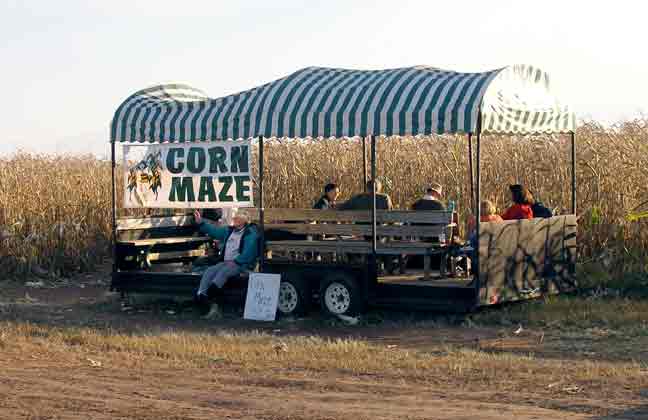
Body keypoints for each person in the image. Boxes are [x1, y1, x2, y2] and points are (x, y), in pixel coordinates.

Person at [193, 208, 259, 318]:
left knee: (222, 273)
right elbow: (215, 231)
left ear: (244, 220)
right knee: (209, 271)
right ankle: (201, 296)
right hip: (226, 262)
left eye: (238, 218)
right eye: (235, 217)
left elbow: (249, 252)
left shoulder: (250, 233)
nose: (235, 219)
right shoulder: (229, 230)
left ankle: (212, 297)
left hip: (240, 264)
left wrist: (237, 261)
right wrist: (201, 222)